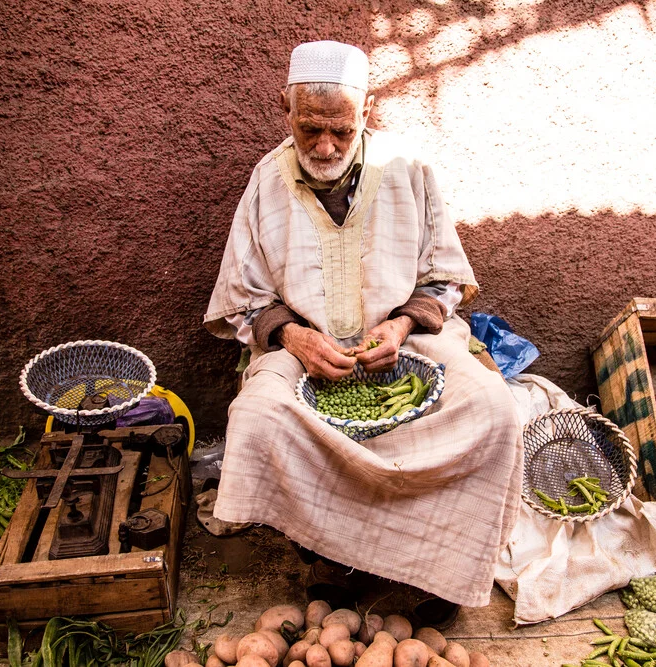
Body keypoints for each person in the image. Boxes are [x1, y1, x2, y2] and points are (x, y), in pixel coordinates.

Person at [204, 41, 522, 628]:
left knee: (495, 412)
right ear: (286, 109)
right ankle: (332, 565)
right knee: (258, 418)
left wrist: (400, 325)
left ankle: (445, 568)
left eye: (341, 132)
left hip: (410, 343)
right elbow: (243, 298)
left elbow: (446, 278)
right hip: (302, 351)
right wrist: (294, 338)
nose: (324, 146)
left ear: (368, 111)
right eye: (310, 128)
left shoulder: (410, 171)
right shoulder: (265, 182)